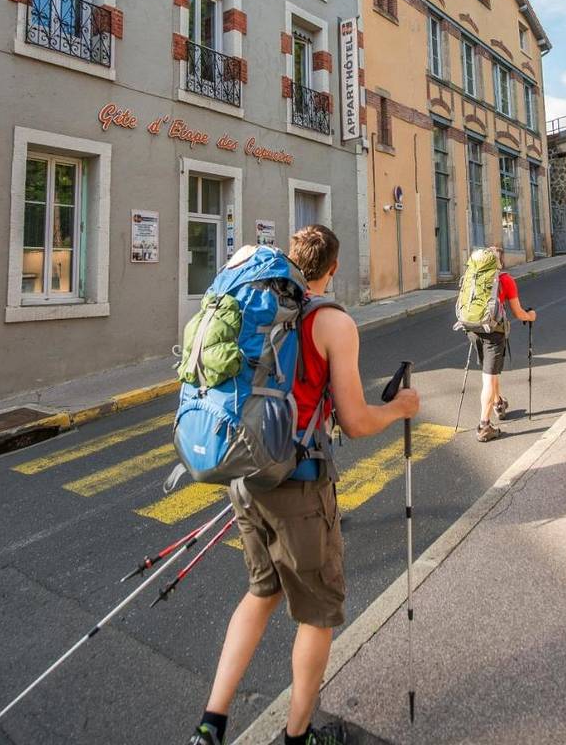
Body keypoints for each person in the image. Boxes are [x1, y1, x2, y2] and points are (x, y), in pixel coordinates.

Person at [187, 225, 420, 745]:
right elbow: (357, 423)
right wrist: (399, 408)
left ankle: (211, 725)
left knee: (261, 592)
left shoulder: (257, 305)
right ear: (332, 269)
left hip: (244, 474)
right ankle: (298, 737)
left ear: (293, 262)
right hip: (299, 484)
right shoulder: (332, 322)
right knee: (317, 614)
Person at [472, 246, 537, 443]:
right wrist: (531, 316)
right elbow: (518, 313)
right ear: (500, 262)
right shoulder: (505, 280)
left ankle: (499, 402)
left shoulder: (474, 276)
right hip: (494, 332)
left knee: (490, 372)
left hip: (473, 329)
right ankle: (484, 425)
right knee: (489, 379)